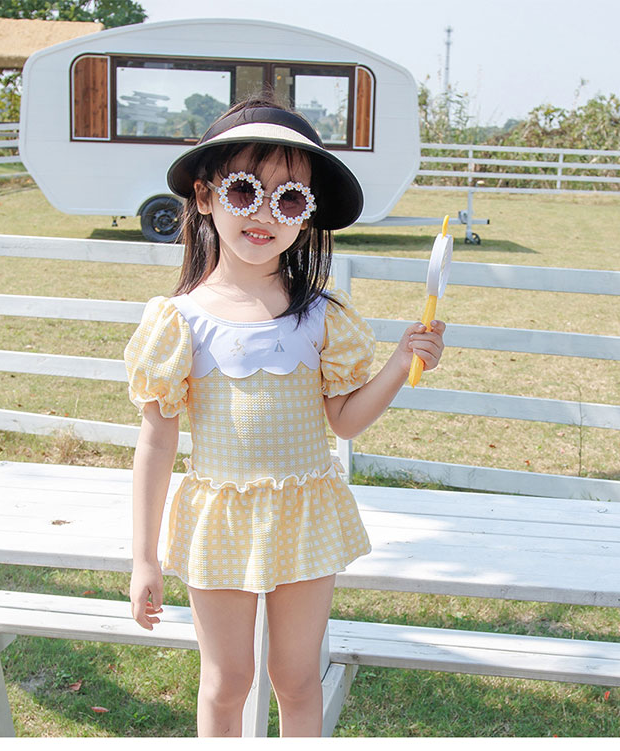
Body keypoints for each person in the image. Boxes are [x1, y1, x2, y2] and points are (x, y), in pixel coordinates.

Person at [124, 96, 445, 737]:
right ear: (205, 196)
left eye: (289, 199)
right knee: (226, 683)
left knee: (297, 680)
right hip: (220, 519)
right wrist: (144, 558)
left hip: (305, 513)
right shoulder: (180, 320)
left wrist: (401, 361)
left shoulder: (323, 315)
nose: (266, 214)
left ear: (308, 215)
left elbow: (344, 422)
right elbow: (156, 445)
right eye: (246, 190)